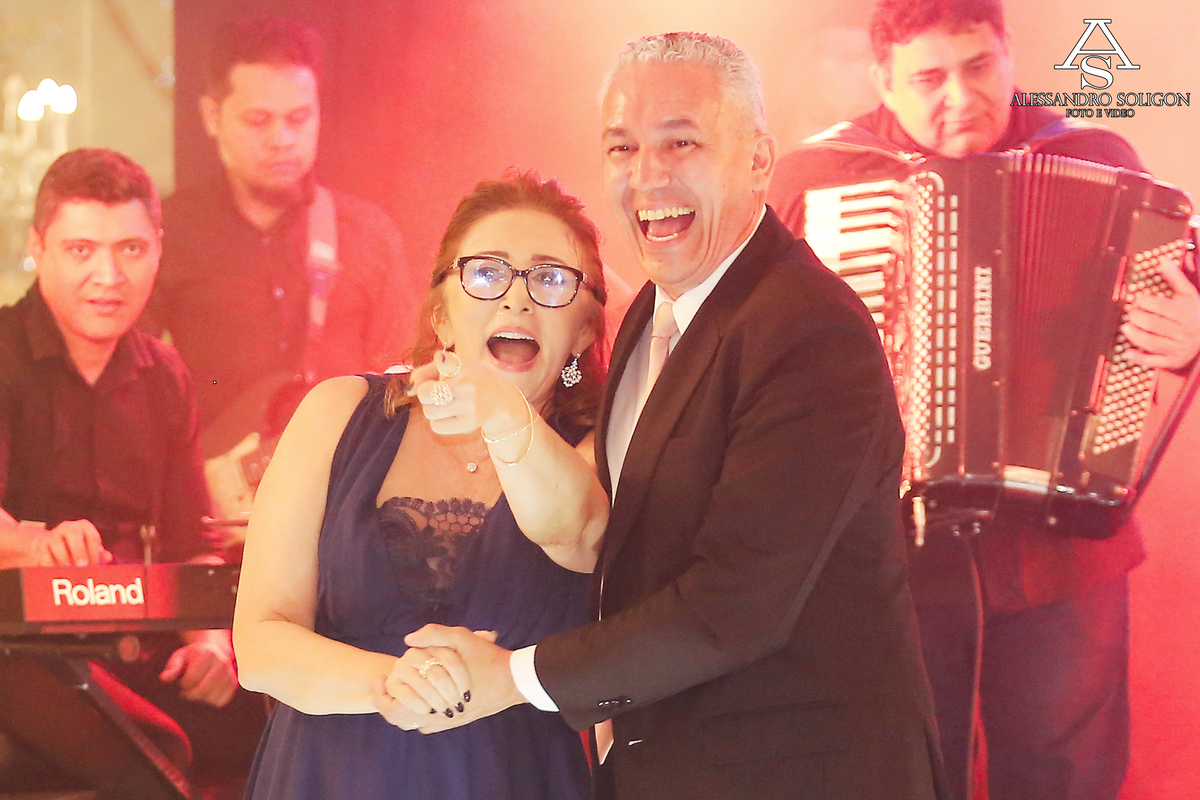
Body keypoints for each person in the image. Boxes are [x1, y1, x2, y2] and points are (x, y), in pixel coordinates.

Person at [388, 32, 948, 800]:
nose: (647, 176)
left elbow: (732, 608)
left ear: (758, 160)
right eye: (621, 148)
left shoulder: (811, 330)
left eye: (680, 142)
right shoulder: (658, 306)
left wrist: (512, 677)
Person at [766, 2, 1200, 799]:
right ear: (882, 82)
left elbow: (1183, 296)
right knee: (907, 774)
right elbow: (759, 359)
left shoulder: (1097, 157)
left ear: (1007, 52)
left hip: (1065, 548)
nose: (961, 97)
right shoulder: (817, 181)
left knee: (1067, 778)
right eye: (929, 78)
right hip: (891, 552)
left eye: (978, 67)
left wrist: (1191, 332)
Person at [231, 170, 611, 799]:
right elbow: (260, 644)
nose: (517, 299)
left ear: (585, 331)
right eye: (486, 273)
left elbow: (575, 534)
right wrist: (392, 683)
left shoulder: (603, 446)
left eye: (550, 280)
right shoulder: (339, 412)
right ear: (441, 315)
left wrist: (502, 411)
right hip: (332, 774)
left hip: (507, 777)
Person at [0, 148, 264, 794]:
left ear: (158, 251)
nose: (109, 276)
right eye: (81, 250)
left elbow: (190, 544)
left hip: (135, 645)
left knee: (284, 724)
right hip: (20, 651)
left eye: (131, 250)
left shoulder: (164, 375)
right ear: (38, 247)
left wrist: (211, 644)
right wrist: (38, 545)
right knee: (160, 752)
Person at [141, 15, 423, 511]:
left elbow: (407, 378)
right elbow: (131, 387)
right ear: (211, 116)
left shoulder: (367, 233)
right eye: (258, 120)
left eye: (299, 118)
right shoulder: (168, 232)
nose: (282, 139)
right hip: (212, 510)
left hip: (344, 504)